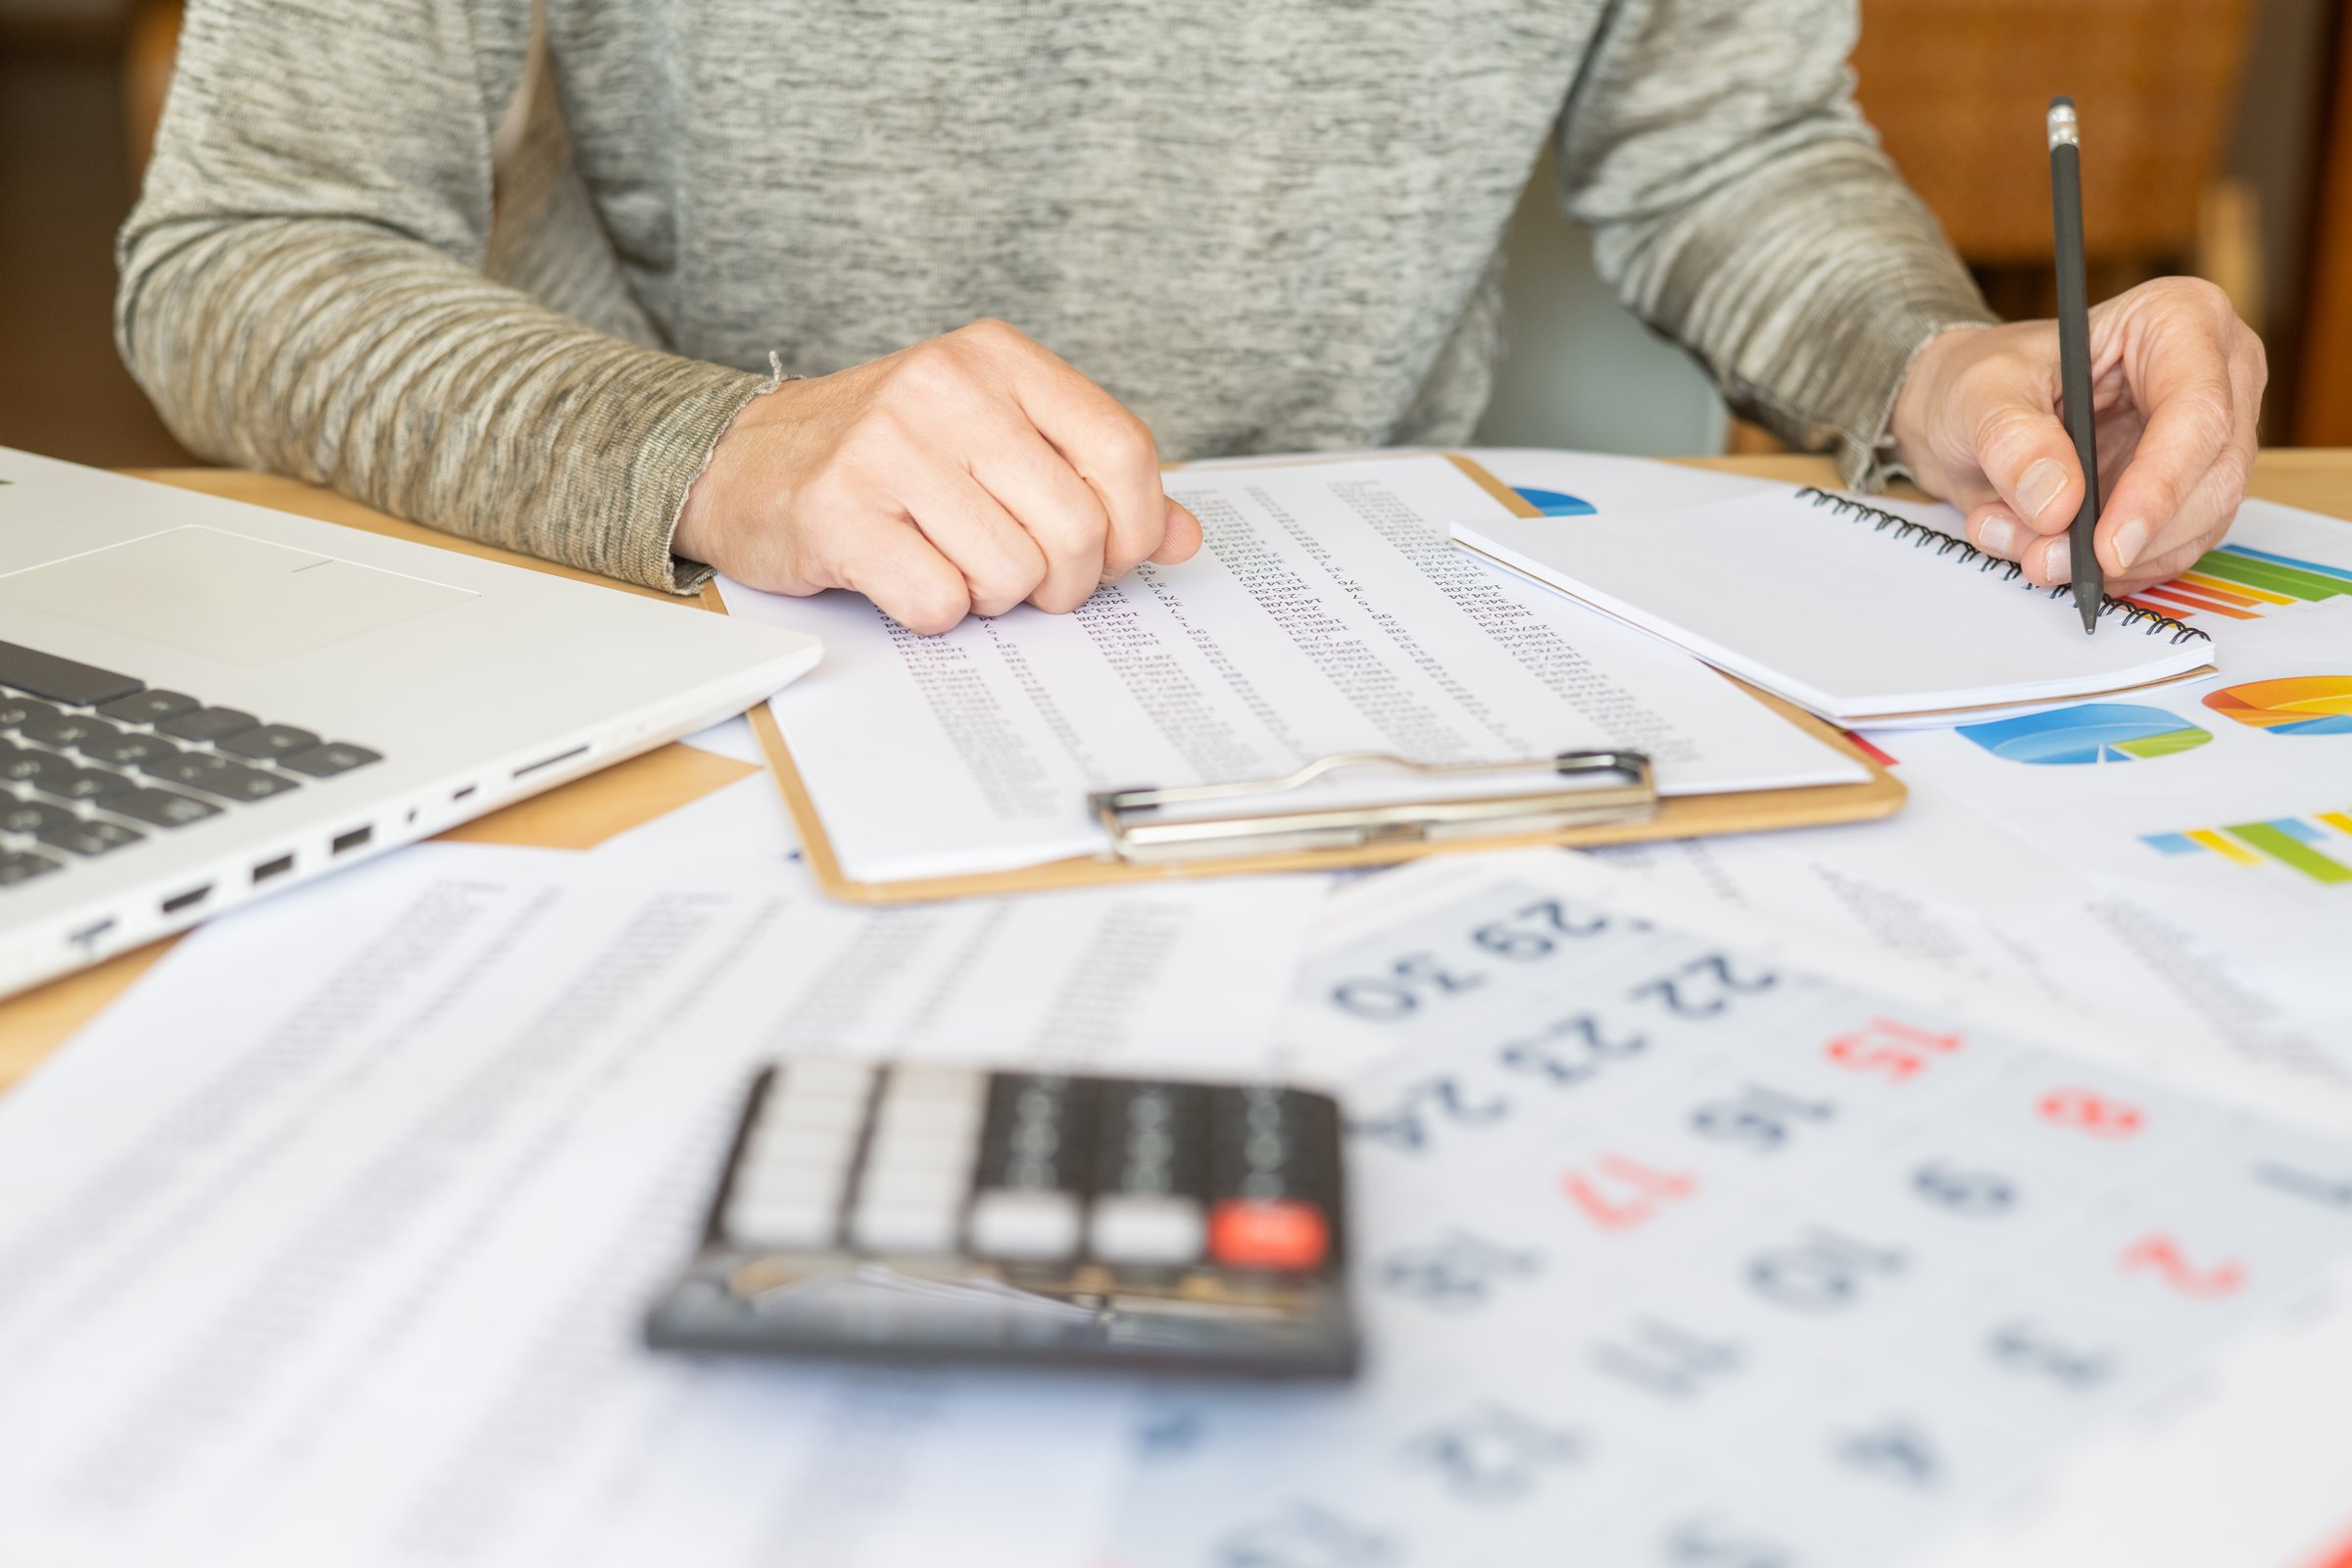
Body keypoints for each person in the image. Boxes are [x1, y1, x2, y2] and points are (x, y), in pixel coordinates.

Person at [119, 1, 2264, 636]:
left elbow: (1722, 141)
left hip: (1356, 662)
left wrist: (1933, 358)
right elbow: (248, 241)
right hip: (680, 638)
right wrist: (711, 450)